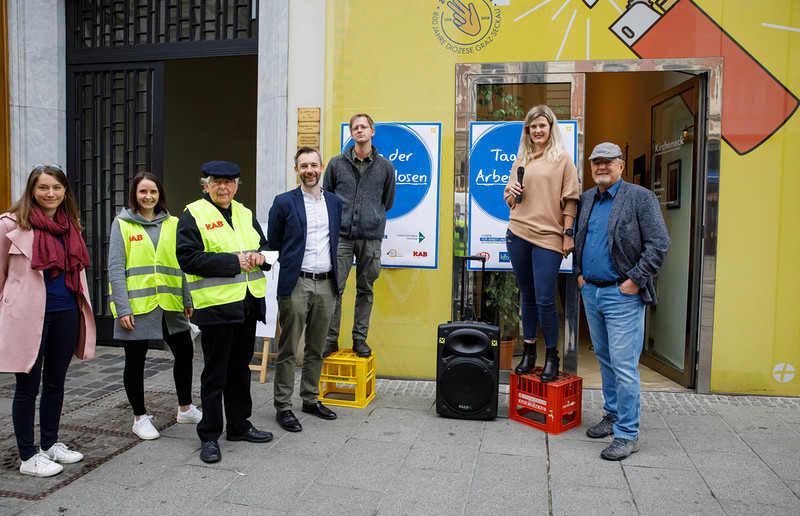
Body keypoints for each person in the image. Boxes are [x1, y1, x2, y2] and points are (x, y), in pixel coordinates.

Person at [574, 142, 670, 461]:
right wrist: (579, 274)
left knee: (624, 364)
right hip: (592, 290)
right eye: (595, 163)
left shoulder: (640, 198)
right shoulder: (587, 198)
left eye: (607, 162)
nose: (601, 167)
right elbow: (580, 237)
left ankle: (628, 434)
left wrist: (635, 280)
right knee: (604, 358)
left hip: (623, 293)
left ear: (621, 165)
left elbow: (659, 244)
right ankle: (613, 415)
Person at [0, 164, 96, 477]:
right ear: (32, 190)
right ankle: (28, 456)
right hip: (28, 316)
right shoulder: (10, 225)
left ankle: (49, 443)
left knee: (56, 381)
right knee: (27, 387)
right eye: (43, 187)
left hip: (66, 310)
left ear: (65, 191)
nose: (50, 194)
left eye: (56, 187)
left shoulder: (71, 225)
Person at [176, 160, 272, 464]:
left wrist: (261, 257)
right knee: (215, 374)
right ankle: (209, 436)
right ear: (206, 185)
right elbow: (187, 258)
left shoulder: (245, 213)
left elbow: (266, 248)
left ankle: (240, 425)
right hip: (217, 307)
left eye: (229, 182)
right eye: (217, 182)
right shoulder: (193, 213)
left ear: (236, 185)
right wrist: (235, 264)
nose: (224, 187)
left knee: (240, 370)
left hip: (247, 304)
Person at [108, 172, 202, 441]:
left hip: (170, 303)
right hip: (138, 306)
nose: (148, 197)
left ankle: (185, 408)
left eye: (153, 192)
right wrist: (122, 308)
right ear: (134, 195)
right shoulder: (123, 224)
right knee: (135, 361)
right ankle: (139, 417)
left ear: (160, 195)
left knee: (185, 353)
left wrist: (187, 298)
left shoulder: (173, 223)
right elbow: (115, 269)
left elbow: (182, 264)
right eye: (142, 192)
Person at [268, 147, 342, 433]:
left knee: (317, 347)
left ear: (321, 167)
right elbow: (273, 244)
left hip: (327, 284)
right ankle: (283, 407)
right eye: (303, 166)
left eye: (313, 164)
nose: (309, 170)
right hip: (296, 282)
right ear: (296, 170)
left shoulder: (334, 203)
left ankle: (310, 399)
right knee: (288, 348)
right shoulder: (284, 202)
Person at [503, 105, 579, 382]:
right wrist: (511, 191)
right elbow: (511, 200)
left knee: (546, 299)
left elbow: (570, 200)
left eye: (541, 126)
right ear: (528, 131)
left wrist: (567, 233)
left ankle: (552, 357)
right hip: (518, 232)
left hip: (548, 237)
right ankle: (529, 353)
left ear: (550, 129)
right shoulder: (521, 160)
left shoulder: (562, 160)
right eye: (532, 127)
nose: (537, 130)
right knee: (528, 297)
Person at [322, 113, 395, 358]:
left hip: (371, 237)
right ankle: (330, 339)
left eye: (364, 126)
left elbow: (387, 201)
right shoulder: (335, 164)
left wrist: (370, 216)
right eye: (355, 127)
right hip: (341, 236)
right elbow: (328, 198)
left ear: (372, 131)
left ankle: (359, 340)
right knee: (335, 289)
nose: (360, 130)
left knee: (365, 290)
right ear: (351, 133)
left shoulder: (385, 167)